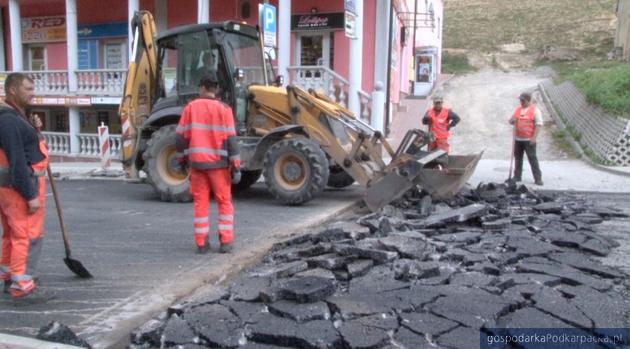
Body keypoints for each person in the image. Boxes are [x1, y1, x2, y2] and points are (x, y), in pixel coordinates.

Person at [176, 73, 240, 254]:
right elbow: (231, 140)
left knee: (200, 203)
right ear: (216, 89)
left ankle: (202, 243)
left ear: (202, 88)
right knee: (224, 202)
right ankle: (226, 242)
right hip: (219, 166)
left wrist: (182, 159)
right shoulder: (224, 109)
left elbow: (180, 137)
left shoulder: (190, 108)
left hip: (197, 165)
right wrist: (235, 164)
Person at [0, 73, 49, 299]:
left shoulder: (13, 116)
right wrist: (30, 195)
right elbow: (18, 160)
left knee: (12, 233)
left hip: (10, 186)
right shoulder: (8, 120)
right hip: (21, 186)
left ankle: (8, 276)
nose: (33, 93)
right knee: (27, 235)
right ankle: (22, 286)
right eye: (28, 89)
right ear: (13, 91)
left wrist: (33, 127)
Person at [509, 92, 543, 185]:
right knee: (518, 158)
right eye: (520, 100)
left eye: (523, 100)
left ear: (528, 100)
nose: (521, 102)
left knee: (532, 159)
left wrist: (534, 138)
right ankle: (517, 176)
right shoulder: (518, 109)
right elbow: (511, 121)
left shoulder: (535, 111)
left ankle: (538, 178)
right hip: (518, 139)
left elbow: (538, 125)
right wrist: (512, 120)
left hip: (529, 140)